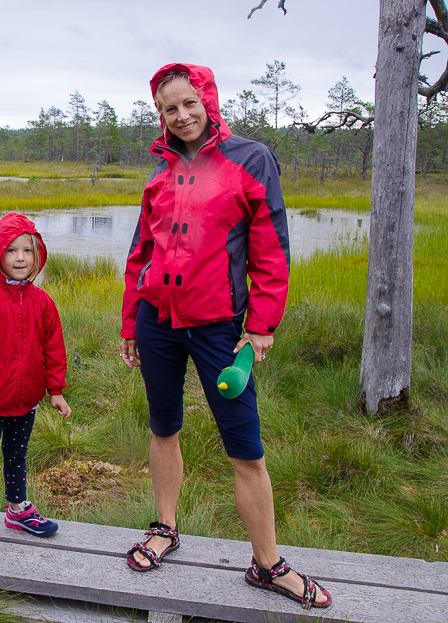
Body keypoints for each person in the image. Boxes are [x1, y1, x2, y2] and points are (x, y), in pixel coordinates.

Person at [119, 64, 331, 610]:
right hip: (157, 324)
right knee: (164, 428)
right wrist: (130, 323)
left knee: (246, 447)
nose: (182, 115)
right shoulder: (157, 175)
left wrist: (262, 323)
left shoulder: (250, 159)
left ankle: (267, 565)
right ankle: (165, 528)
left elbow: (271, 246)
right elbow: (140, 255)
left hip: (218, 330)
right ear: (160, 116)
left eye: (190, 103)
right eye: (170, 108)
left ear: (207, 99)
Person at [0, 212, 72, 557]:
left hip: (27, 402)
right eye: (11, 251)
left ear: (38, 256)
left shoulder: (43, 302)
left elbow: (53, 347)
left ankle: (17, 509)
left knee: (17, 455)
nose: (20, 258)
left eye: (27, 251)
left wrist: (56, 390)